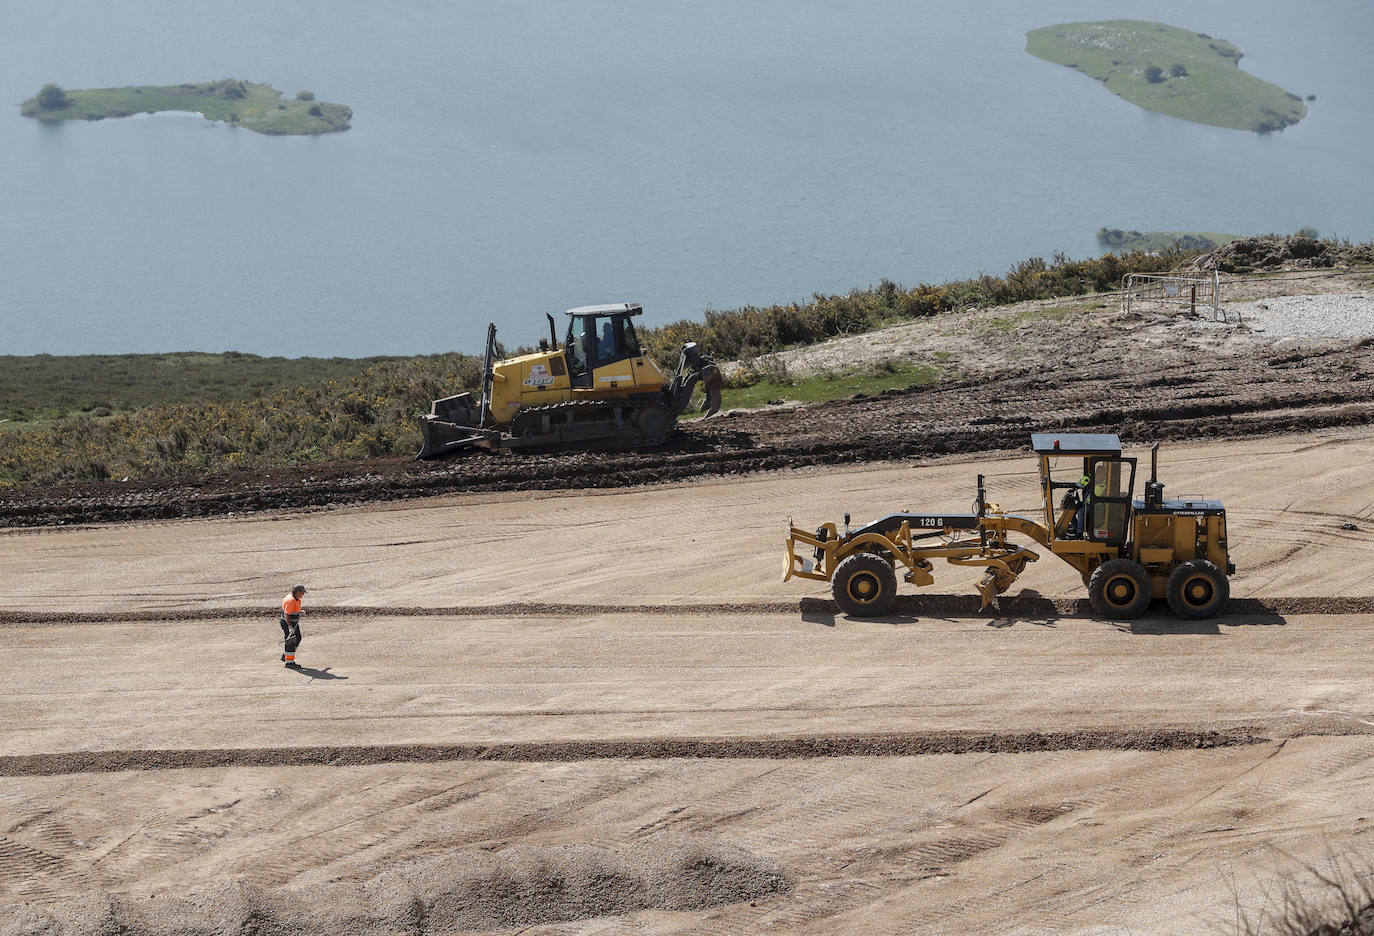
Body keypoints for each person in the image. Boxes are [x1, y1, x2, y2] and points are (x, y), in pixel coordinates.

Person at [280, 584, 306, 668]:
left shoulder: (296, 598)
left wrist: (299, 611)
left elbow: (293, 609)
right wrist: (290, 627)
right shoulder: (290, 600)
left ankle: (286, 655)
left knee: (298, 638)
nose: (303, 594)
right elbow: (286, 615)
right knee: (291, 641)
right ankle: (289, 662)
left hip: (293, 623)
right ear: (297, 592)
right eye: (302, 592)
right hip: (288, 623)